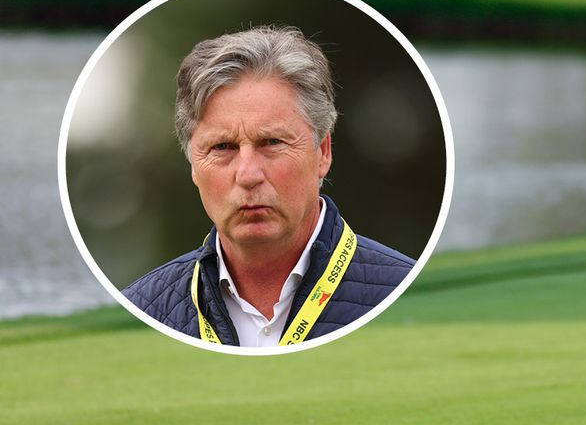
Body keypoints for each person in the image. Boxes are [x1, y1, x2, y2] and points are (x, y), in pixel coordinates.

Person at [123, 25, 415, 347]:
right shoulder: (137, 313)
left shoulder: (412, 298)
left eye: (272, 142)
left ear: (323, 152)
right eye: (222, 147)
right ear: (193, 163)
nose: (248, 174)